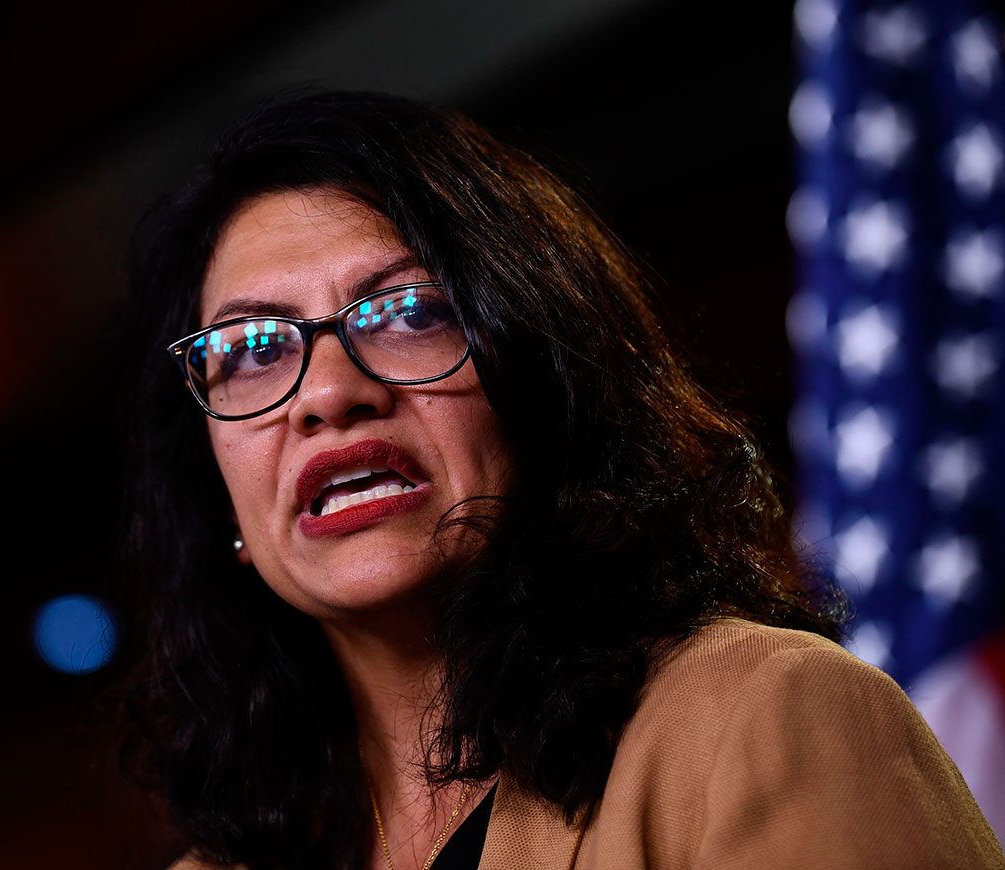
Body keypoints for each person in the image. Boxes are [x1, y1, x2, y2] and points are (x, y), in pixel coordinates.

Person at [121, 91, 1004, 870]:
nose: (330, 393)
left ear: (545, 382)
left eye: (411, 311)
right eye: (248, 349)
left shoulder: (771, 717)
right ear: (215, 492)